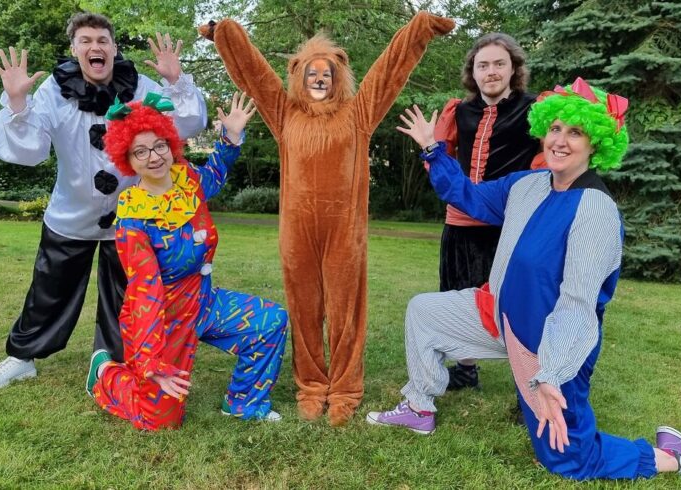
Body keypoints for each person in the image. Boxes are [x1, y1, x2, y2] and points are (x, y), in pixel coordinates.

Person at [366, 78, 681, 479]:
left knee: (567, 459)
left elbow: (578, 307)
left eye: (575, 132)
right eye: (556, 129)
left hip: (545, 347)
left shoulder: (595, 210)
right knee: (424, 310)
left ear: (595, 144)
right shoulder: (527, 185)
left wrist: (551, 376)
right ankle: (419, 407)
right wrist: (432, 148)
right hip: (498, 316)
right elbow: (468, 196)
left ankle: (674, 456)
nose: (560, 141)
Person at [200, 12, 455, 426]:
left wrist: (420, 27)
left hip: (343, 234)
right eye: (312, 73)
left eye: (327, 73)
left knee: (345, 311)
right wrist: (224, 33)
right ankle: (311, 386)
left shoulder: (358, 114)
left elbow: (389, 70)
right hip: (297, 234)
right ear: (299, 77)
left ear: (339, 77)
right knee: (303, 310)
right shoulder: (284, 115)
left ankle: (345, 389)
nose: (319, 79)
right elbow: (255, 74)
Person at [0, 12, 207, 392]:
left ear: (114, 48)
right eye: (85, 41)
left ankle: (115, 362)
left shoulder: (139, 87)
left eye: (102, 40)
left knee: (128, 297)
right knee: (48, 292)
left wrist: (175, 81)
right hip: (70, 216)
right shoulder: (54, 89)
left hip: (131, 219)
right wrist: (18, 103)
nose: (94, 47)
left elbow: (186, 124)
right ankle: (22, 358)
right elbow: (30, 149)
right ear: (74, 49)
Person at [86, 92, 289, 430]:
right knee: (159, 419)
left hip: (205, 302)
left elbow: (216, 172)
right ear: (128, 160)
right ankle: (105, 373)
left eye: (159, 146)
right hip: (165, 318)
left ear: (170, 145)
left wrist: (231, 136)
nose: (153, 157)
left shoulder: (188, 182)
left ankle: (244, 402)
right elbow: (145, 290)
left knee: (270, 322)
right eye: (140, 151)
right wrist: (152, 362)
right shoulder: (133, 218)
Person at [433, 33, 544, 393]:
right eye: (483, 65)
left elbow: (550, 158)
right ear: (473, 72)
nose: (491, 71)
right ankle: (465, 371)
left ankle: (527, 384)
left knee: (514, 304)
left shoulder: (535, 110)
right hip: (460, 223)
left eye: (499, 64)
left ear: (514, 69)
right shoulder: (459, 111)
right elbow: (440, 155)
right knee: (458, 296)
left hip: (509, 223)